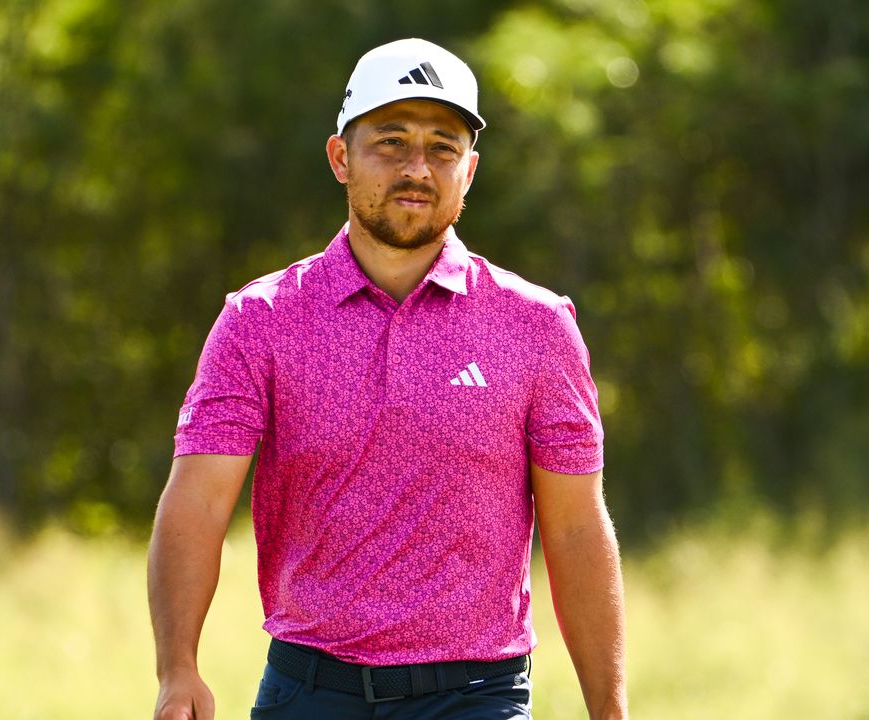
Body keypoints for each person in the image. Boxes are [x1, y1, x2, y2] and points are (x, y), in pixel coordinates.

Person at [147, 38, 628, 720]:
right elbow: (196, 503)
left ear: (471, 169)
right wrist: (178, 669)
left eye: (442, 146)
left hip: (477, 697)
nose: (417, 168)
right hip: (309, 692)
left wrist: (610, 713)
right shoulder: (259, 321)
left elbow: (577, 528)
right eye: (391, 141)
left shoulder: (538, 327)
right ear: (341, 158)